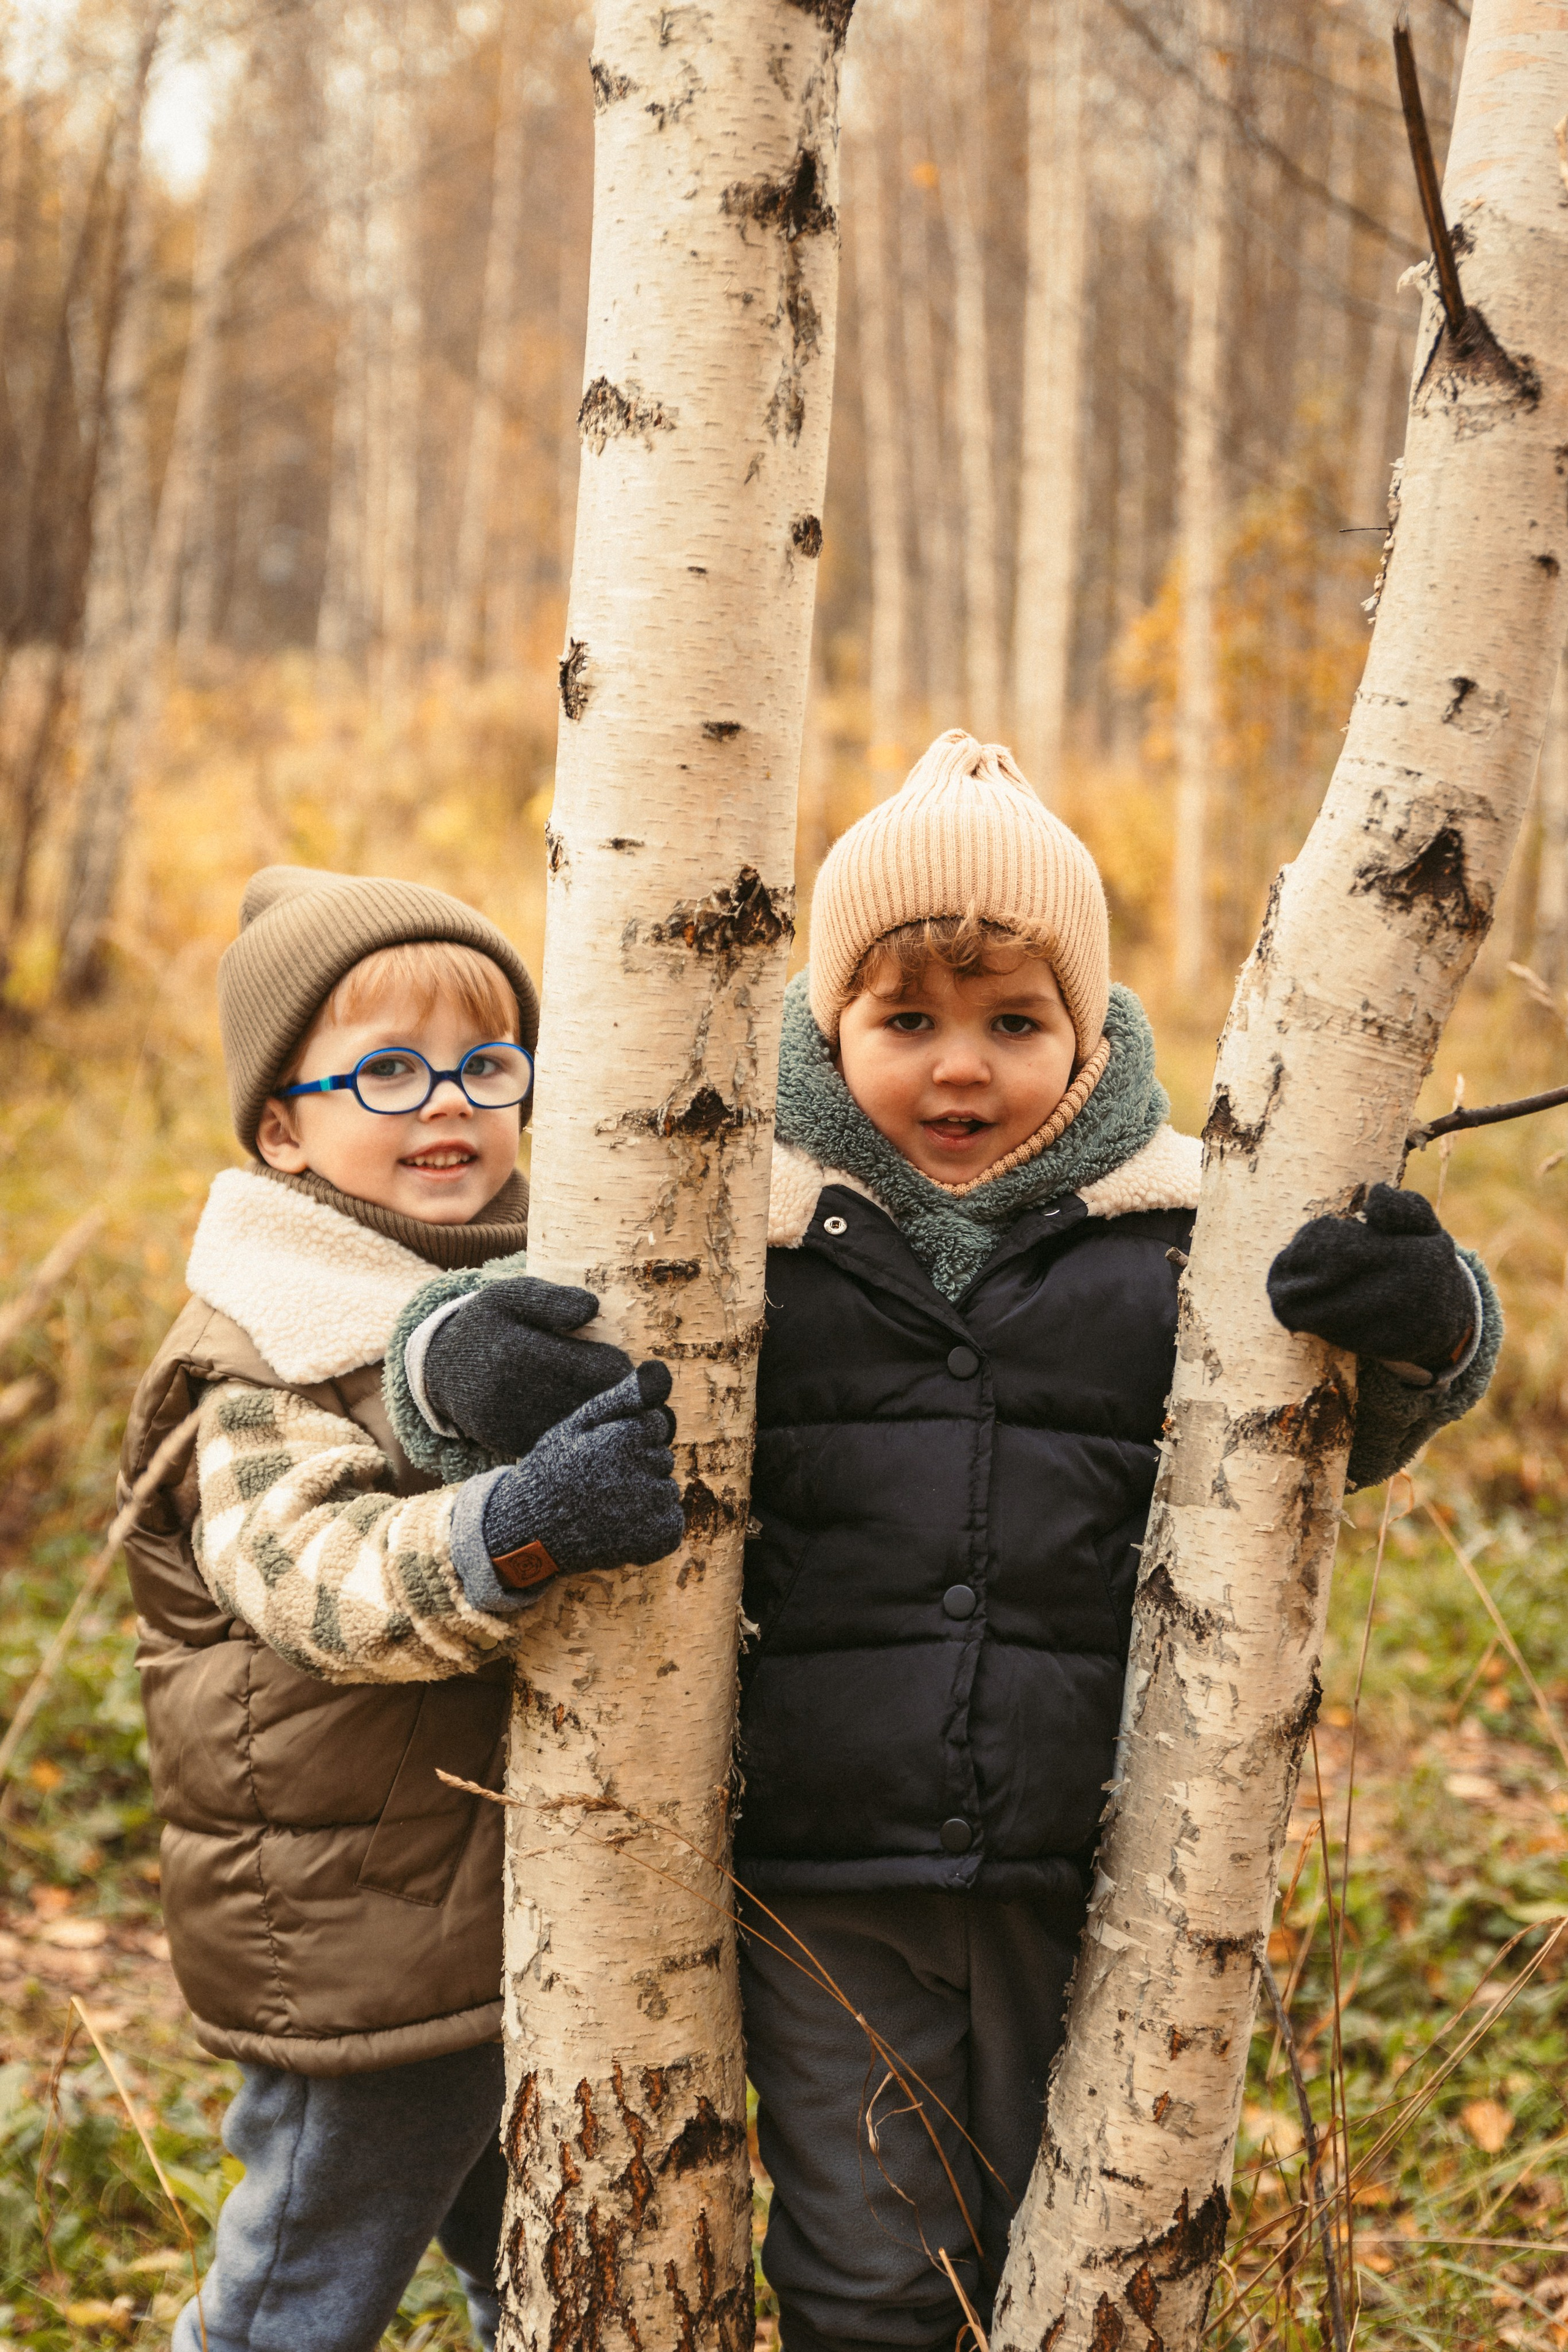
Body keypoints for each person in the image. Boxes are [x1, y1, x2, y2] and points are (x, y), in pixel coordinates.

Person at [384, 732, 1501, 2352]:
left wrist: (1425, 1320)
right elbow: (471, 1330)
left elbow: (1353, 1436)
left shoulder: (1183, 1235)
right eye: (906, 1020)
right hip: (834, 1873)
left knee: (1099, 2230)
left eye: (1012, 1022)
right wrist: (466, 1368)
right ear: (829, 1030)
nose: (959, 1068)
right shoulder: (735, 1227)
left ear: (1091, 1031)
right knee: (874, 2267)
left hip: (1110, 1864)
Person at [119, 865, 685, 2352]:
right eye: (386, 1069)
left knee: (548, 2267)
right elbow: (322, 1588)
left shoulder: (523, 1280)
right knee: (297, 2296)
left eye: (487, 1064)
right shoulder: (259, 1358)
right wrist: (517, 1529)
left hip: (505, 1918)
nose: (447, 1102)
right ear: (282, 1127)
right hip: (356, 1945)